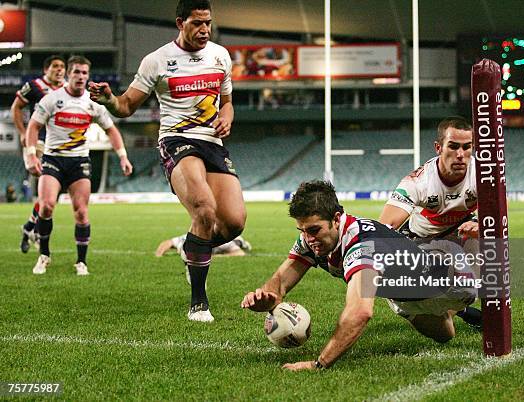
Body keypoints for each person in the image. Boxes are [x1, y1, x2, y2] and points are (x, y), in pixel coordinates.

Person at [88, 0, 246, 323]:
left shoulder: (220, 56)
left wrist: (227, 118)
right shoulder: (157, 61)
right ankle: (199, 304)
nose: (204, 30)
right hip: (176, 141)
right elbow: (127, 106)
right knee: (204, 207)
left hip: (212, 143)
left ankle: (189, 247)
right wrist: (109, 100)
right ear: (180, 23)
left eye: (208, 23)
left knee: (233, 223)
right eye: (197, 24)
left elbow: (227, 102)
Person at [241, 180, 478, 371]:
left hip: (446, 277)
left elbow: (361, 312)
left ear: (336, 219)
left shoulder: (363, 245)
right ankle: (458, 312)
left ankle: (464, 300)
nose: (308, 238)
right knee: (445, 336)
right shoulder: (310, 239)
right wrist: (268, 296)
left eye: (314, 230)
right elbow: (281, 279)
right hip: (401, 293)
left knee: (469, 290)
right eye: (302, 231)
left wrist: (319, 364)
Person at [25, 55, 133, 276]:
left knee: (82, 213)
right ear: (68, 74)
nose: (81, 76)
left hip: (79, 161)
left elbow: (111, 130)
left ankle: (81, 261)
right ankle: (44, 255)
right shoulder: (52, 99)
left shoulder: (93, 103)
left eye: (85, 73)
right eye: (76, 72)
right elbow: (33, 126)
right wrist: (31, 155)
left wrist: (123, 156)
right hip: (53, 159)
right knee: (45, 206)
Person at [378, 116, 481, 327]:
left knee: (478, 277)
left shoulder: (483, 175)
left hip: (460, 235)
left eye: (467, 147)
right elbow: (384, 229)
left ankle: (457, 309)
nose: (461, 155)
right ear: (438, 147)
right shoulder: (418, 182)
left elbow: (500, 220)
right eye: (453, 147)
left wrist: (482, 226)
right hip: (421, 242)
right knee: (444, 330)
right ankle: (409, 300)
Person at [11, 55, 66, 253]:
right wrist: (22, 132)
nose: (59, 70)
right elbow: (16, 106)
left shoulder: (67, 88)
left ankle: (28, 228)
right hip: (40, 141)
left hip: (61, 144)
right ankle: (31, 230)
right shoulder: (34, 86)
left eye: (62, 67)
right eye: (55, 66)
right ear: (46, 69)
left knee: (52, 194)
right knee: (46, 185)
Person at [155, 234, 251, 257]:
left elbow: (240, 253)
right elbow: (167, 242)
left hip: (234, 238)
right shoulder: (184, 239)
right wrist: (159, 254)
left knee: (241, 243)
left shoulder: (223, 243)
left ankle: (245, 243)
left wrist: (218, 256)